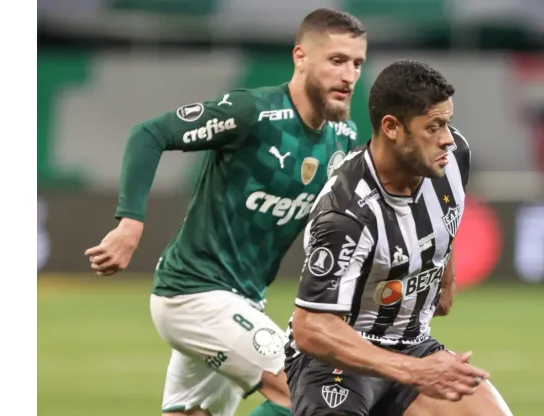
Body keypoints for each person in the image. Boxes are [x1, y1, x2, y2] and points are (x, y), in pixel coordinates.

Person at [84, 8, 367, 416]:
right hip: (195, 294)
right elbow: (150, 134)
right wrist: (130, 224)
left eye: (357, 63)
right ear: (300, 57)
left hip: (244, 303)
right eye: (337, 60)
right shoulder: (253, 113)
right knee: (309, 391)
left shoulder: (343, 137)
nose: (349, 75)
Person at [284, 59, 514, 416]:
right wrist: (417, 371)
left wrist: (445, 275)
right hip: (337, 360)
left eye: (448, 123)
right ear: (391, 127)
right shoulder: (346, 213)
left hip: (412, 345)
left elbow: (446, 218)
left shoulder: (453, 159)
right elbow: (311, 328)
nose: (447, 139)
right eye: (433, 126)